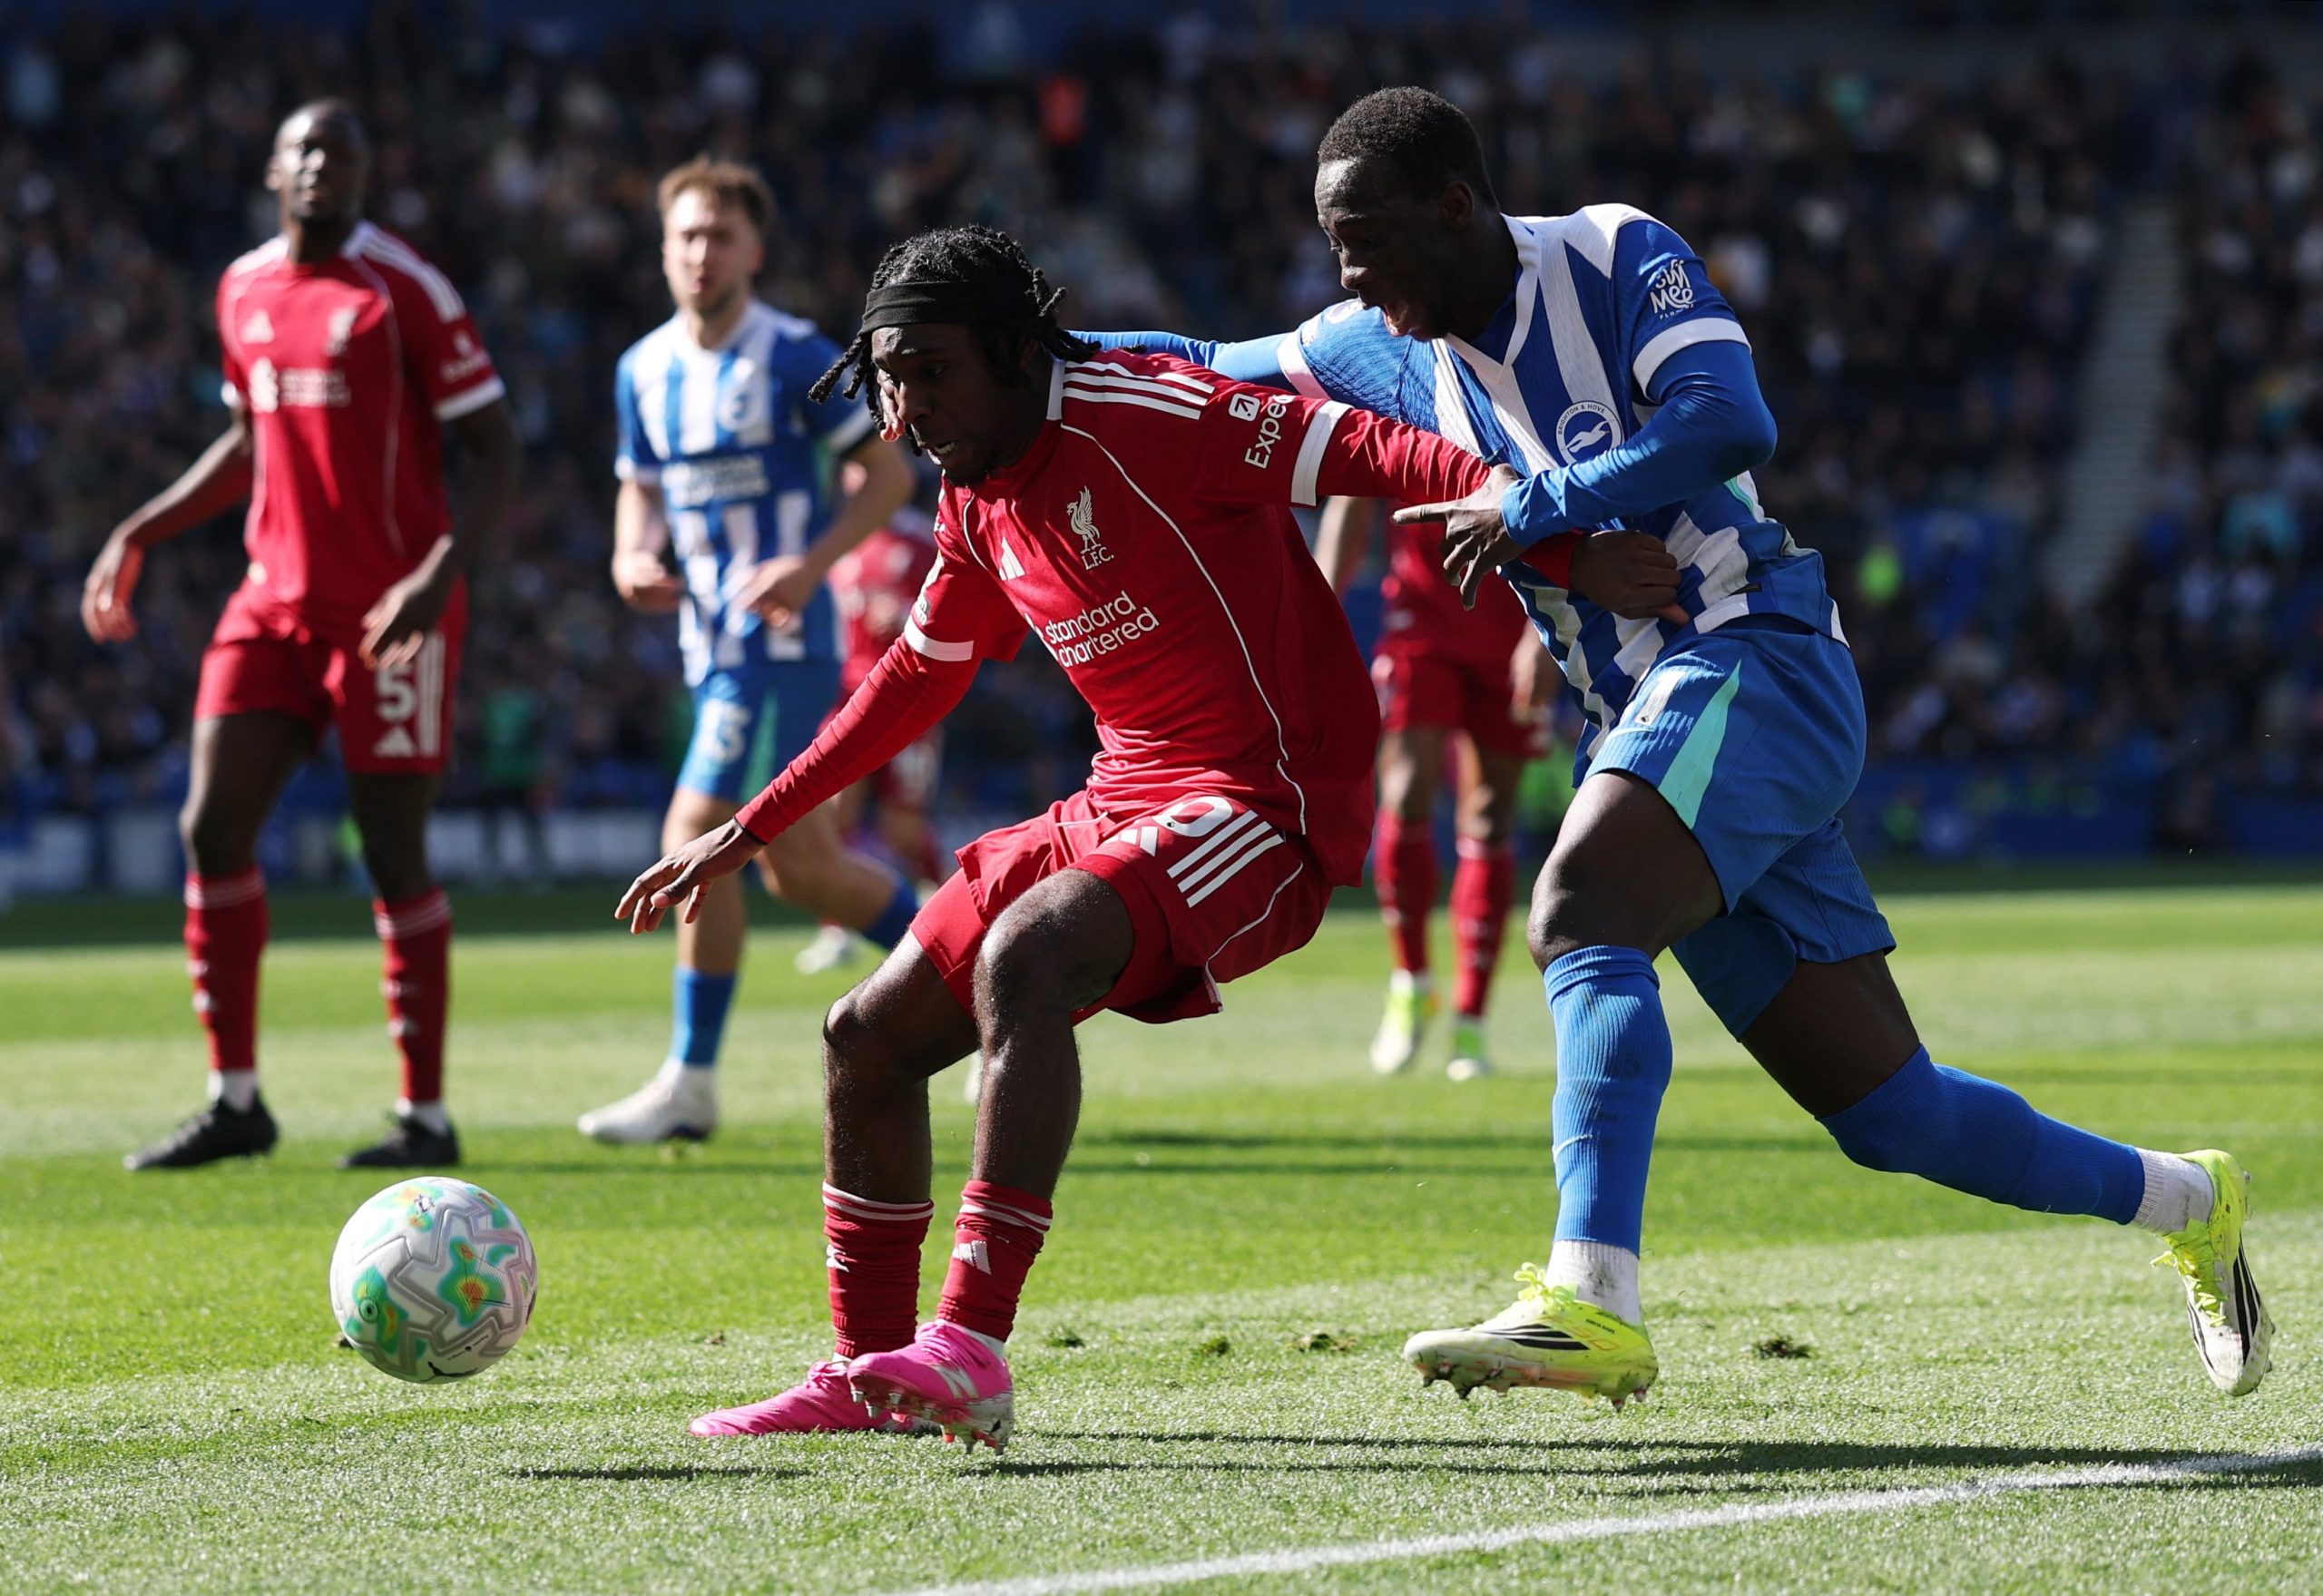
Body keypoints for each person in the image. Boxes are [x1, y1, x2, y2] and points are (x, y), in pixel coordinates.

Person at [1089, 87, 2270, 1402]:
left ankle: (1589, 1295)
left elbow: (1727, 421)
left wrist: (1549, 499)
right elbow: (1199, 357)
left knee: (1583, 901)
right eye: (1332, 246)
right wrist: (1036, 344)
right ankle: (2186, 1196)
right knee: (1894, 1116)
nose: (1349, 273)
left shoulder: (1610, 252)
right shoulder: (1378, 343)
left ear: (1455, 205)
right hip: (1660, 715)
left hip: (1756, 656)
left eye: (1363, 238)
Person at [615, 223, 1506, 1450]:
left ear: (1012, 352)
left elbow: (1361, 442)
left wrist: (1520, 498)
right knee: (864, 1038)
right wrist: (749, 826)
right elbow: (914, 679)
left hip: (1268, 798)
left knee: (1027, 955)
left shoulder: (1151, 412)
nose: (906, 407)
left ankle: (969, 1344)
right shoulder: (973, 494)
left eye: (931, 371)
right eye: (890, 378)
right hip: (1125, 790)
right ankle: (870, 1368)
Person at [83, 101, 522, 1171]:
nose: (323, 166)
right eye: (305, 151)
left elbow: (497, 452)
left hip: (389, 616)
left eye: (342, 152)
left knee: (391, 852)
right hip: (271, 603)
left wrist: (435, 576)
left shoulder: (404, 291)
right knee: (210, 828)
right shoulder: (242, 288)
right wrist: (140, 528)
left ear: (365, 173)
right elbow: (249, 434)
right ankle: (236, 1099)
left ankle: (425, 1115)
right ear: (275, 170)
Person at [579, 159, 919, 1146]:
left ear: (752, 252)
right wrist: (626, 552)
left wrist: (810, 568)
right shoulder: (642, 368)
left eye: (719, 236)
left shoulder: (794, 354)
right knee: (800, 870)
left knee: (699, 830)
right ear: (663, 248)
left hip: (781, 646)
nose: (700, 253)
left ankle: (689, 1080)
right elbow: (637, 481)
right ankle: (980, 979)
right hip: (708, 646)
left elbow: (887, 473)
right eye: (685, 235)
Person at [1314, 494, 1550, 1079]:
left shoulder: (1521, 405)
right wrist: (1316, 611)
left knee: (1491, 816)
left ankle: (1471, 1021)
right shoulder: (1399, 399)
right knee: (1407, 789)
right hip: (1421, 619)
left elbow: (1566, 501)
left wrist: (1545, 629)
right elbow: (1351, 499)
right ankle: (1412, 981)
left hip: (1513, 624)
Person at [794, 491, 953, 979]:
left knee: (900, 830)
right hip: (844, 699)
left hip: (904, 697)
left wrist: (907, 616)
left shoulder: (919, 539)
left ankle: (958, 907)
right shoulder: (835, 541)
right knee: (832, 810)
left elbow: (953, 602)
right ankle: (835, 930)